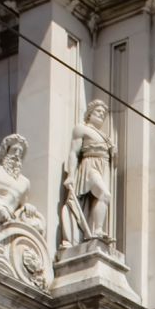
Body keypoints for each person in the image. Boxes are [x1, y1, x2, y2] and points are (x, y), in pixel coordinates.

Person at [62, 100, 115, 243]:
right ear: (89, 114)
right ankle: (96, 230)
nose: (101, 114)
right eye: (98, 111)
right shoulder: (81, 129)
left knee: (104, 197)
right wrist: (71, 176)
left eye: (103, 113)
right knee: (104, 194)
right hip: (90, 164)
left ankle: (97, 229)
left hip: (103, 166)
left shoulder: (105, 137)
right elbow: (74, 152)